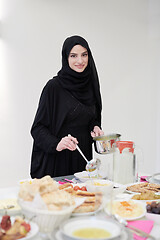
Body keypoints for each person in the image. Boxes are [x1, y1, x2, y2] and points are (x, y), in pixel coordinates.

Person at [30, 35, 104, 178]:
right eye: (73, 56)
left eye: (84, 55)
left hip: (83, 161)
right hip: (57, 161)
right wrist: (57, 143)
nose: (80, 61)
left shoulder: (91, 86)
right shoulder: (54, 87)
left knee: (85, 199)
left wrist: (95, 127)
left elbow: (91, 117)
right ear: (66, 58)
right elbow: (37, 128)